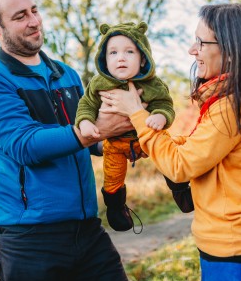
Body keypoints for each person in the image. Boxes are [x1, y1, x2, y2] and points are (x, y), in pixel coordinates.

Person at [100, 3, 241, 281]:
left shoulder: (232, 106)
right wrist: (152, 142)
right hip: (239, 250)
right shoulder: (233, 101)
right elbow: (199, 150)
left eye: (201, 42)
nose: (192, 50)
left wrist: (137, 114)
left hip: (238, 256)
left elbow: (180, 166)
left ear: (231, 50)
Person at [0, 0, 130, 281]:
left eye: (35, 10)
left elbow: (91, 140)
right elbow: (24, 145)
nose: (34, 21)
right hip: (29, 237)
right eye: (20, 16)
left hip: (86, 229)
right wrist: (99, 131)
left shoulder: (66, 74)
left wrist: (121, 141)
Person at [75, 21, 179, 232]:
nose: (120, 57)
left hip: (147, 136)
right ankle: (116, 208)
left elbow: (165, 104)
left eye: (129, 52)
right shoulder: (98, 84)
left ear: (143, 59)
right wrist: (85, 122)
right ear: (105, 59)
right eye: (113, 53)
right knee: (112, 175)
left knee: (171, 150)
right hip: (115, 143)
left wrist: (160, 116)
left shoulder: (153, 84)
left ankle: (180, 188)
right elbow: (86, 105)